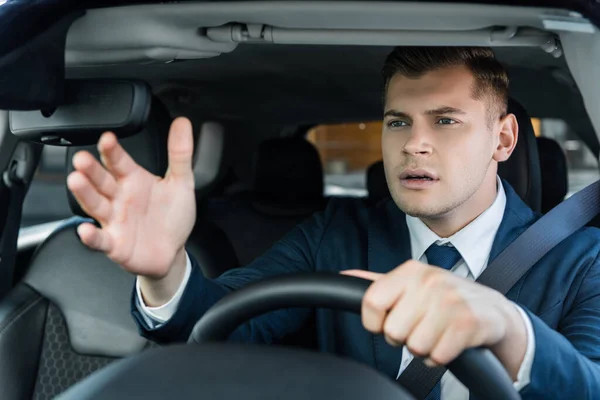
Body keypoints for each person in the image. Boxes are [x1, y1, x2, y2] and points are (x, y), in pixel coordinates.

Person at [66, 47, 600, 399]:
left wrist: (508, 327)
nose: (414, 143)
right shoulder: (336, 232)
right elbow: (227, 321)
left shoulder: (581, 258)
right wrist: (164, 272)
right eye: (397, 122)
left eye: (445, 121)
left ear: (503, 140)